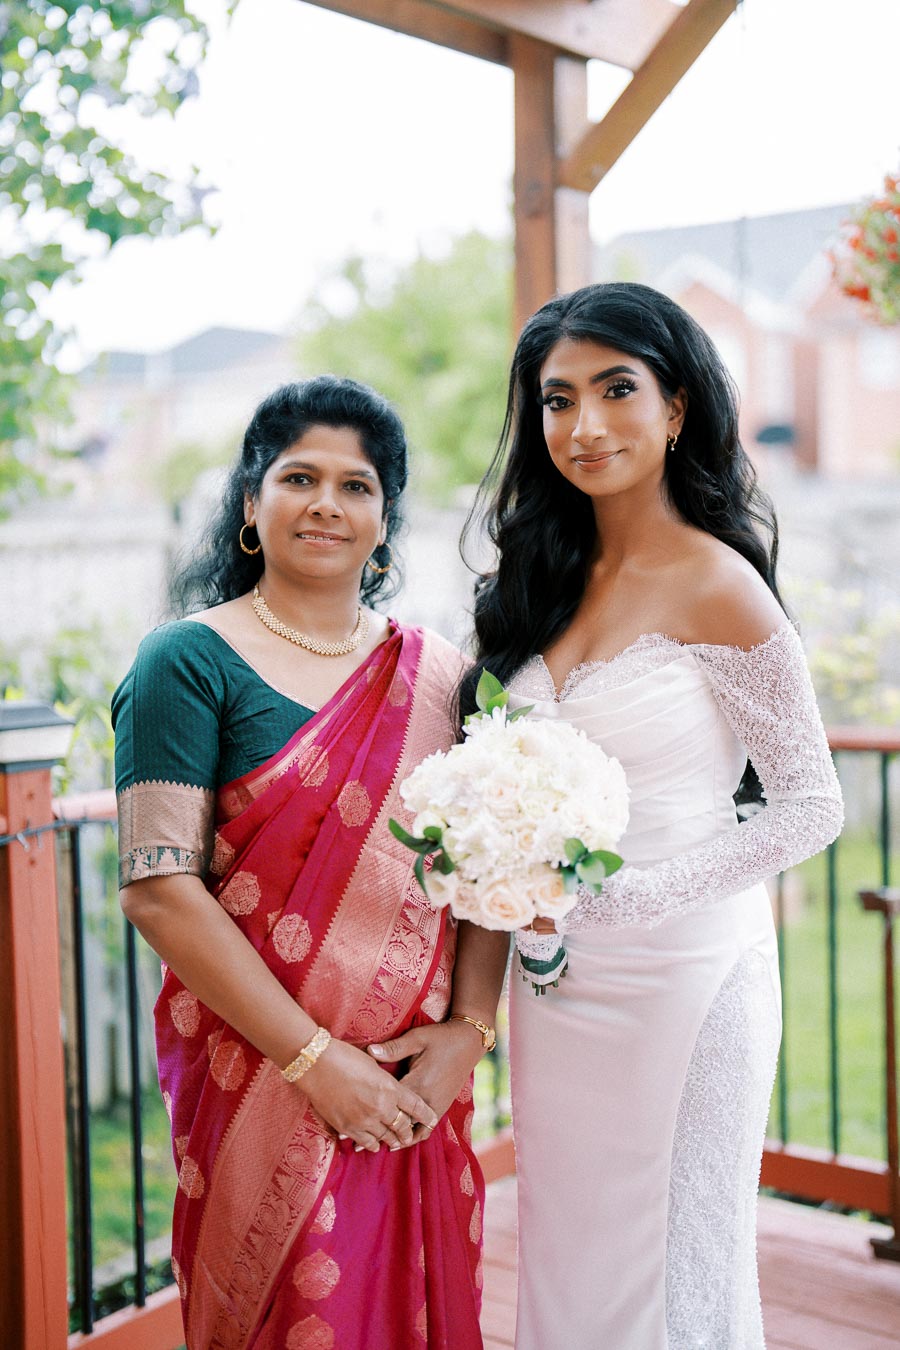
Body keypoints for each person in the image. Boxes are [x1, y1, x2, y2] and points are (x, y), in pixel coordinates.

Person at [459, 283, 843, 1349]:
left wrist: (640, 895)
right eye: (557, 399)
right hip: (559, 989)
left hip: (690, 971)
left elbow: (811, 803)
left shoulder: (722, 585)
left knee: (679, 1264)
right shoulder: (540, 579)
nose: (584, 426)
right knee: (566, 1248)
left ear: (676, 408)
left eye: (616, 390)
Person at [113, 376, 508, 1350]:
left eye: (357, 485)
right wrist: (315, 1062)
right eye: (298, 478)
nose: (327, 503)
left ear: (385, 521)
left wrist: (468, 1029)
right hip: (262, 1081)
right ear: (251, 505)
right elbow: (161, 891)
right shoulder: (187, 663)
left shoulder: (444, 678)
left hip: (412, 1091)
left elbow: (494, 871)